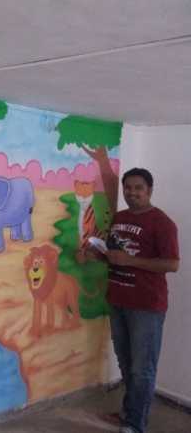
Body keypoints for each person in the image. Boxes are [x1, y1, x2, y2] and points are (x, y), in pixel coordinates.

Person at [76, 168, 179, 433]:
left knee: (142, 369)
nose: (132, 193)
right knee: (125, 362)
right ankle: (128, 413)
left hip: (146, 307)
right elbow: (114, 257)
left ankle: (135, 424)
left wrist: (130, 260)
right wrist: (94, 256)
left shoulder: (162, 223)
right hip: (118, 301)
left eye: (138, 188)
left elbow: (172, 264)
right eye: (128, 188)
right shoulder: (120, 218)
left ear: (149, 190)